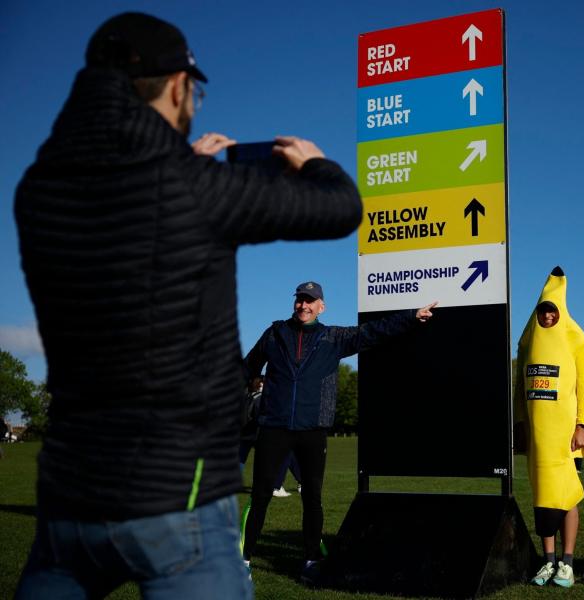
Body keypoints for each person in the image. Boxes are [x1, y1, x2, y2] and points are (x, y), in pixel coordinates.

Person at [13, 12, 362, 599]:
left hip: (70, 491)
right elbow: (338, 207)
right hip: (177, 490)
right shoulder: (191, 187)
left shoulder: (38, 189)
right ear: (178, 85)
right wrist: (313, 162)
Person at [241, 281, 436, 585]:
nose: (303, 306)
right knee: (261, 496)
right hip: (274, 428)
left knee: (313, 499)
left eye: (310, 301)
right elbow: (249, 366)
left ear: (321, 306)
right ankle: (244, 560)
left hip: (313, 431)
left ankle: (310, 561)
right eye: (300, 300)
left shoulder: (333, 337)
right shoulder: (275, 333)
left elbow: (374, 331)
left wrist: (411, 315)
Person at [514, 267, 584, 587]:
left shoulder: (576, 337)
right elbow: (520, 387)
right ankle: (548, 562)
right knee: (543, 493)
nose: (547, 316)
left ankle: (567, 563)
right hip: (537, 435)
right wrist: (520, 423)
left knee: (567, 496)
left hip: (567, 437)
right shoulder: (527, 338)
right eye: (543, 310)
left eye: (552, 310)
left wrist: (583, 425)